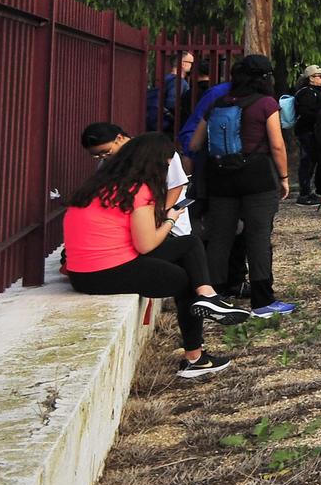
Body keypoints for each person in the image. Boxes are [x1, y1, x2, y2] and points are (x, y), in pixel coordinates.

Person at [65, 130, 253, 375]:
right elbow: (146, 245)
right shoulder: (139, 190)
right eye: (165, 166)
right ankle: (195, 358)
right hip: (104, 271)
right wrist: (170, 219)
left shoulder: (99, 184)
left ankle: (207, 295)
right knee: (183, 279)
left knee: (190, 243)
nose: (166, 172)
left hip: (84, 270)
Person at [191, 54, 295, 316]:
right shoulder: (266, 104)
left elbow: (194, 144)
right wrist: (283, 177)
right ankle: (263, 300)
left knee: (220, 238)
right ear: (265, 78)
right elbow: (277, 144)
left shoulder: (218, 103)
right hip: (257, 177)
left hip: (221, 177)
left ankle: (212, 295)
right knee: (258, 237)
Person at [291, 65, 321, 205]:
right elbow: (306, 113)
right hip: (307, 131)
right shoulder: (307, 93)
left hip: (313, 131)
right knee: (307, 161)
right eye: (320, 76)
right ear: (311, 78)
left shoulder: (317, 92)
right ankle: (304, 193)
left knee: (314, 161)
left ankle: (313, 190)